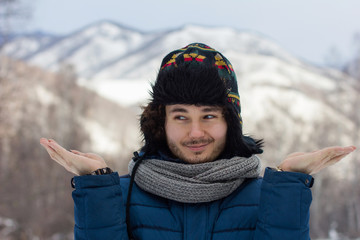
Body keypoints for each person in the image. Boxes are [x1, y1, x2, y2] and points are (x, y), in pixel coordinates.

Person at [40, 43, 356, 240]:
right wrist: (95, 186)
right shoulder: (118, 197)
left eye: (208, 116)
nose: (194, 133)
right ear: (159, 123)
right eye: (180, 117)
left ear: (230, 122)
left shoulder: (269, 198)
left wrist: (289, 186)